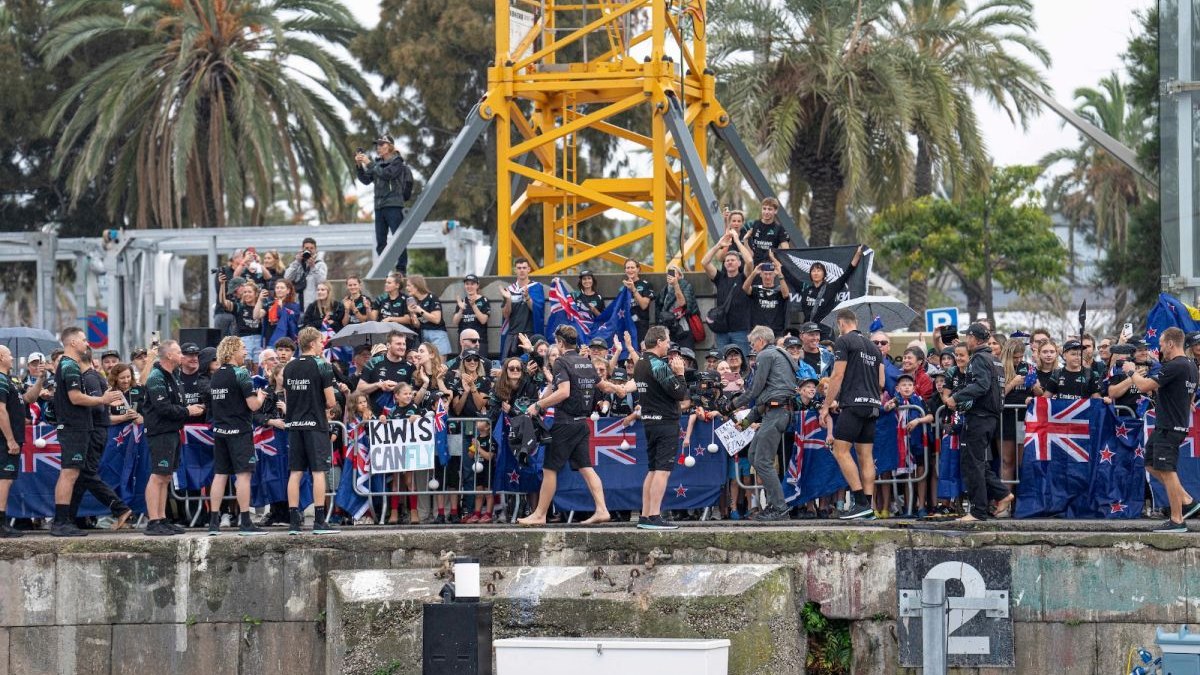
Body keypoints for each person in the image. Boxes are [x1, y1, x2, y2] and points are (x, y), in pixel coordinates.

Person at [518, 325, 610, 526]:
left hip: (565, 423)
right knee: (586, 468)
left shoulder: (562, 362)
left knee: (550, 469)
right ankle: (602, 509)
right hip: (581, 424)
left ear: (560, 343)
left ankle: (540, 514)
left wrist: (538, 405)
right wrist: (620, 389)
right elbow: (602, 386)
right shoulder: (585, 362)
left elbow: (563, 392)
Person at [1121, 327, 1200, 532]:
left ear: (1171, 344)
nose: (1160, 347)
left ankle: (1177, 520)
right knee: (1150, 464)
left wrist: (1130, 371)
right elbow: (1190, 397)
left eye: (1162, 343)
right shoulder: (1191, 365)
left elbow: (1145, 386)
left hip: (1170, 427)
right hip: (1166, 424)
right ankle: (1186, 499)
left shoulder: (1175, 365)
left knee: (1167, 470)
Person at [819, 309, 884, 520]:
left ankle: (860, 502)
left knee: (840, 451)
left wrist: (826, 405)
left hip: (854, 404)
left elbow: (837, 375)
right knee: (865, 456)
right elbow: (881, 382)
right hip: (873, 405)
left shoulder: (844, 341)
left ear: (840, 324)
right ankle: (868, 506)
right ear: (856, 322)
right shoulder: (875, 348)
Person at [727, 325, 796, 521]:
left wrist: (731, 404)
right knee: (755, 455)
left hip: (777, 412)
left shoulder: (766, 356)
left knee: (763, 461)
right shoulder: (779, 355)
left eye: (752, 343)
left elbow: (754, 390)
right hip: (775, 411)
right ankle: (774, 505)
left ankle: (779, 508)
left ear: (761, 341)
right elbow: (762, 400)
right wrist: (746, 422)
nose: (752, 348)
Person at [946, 323, 1013, 523]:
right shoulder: (995, 359)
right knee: (977, 462)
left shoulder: (979, 358)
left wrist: (956, 397)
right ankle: (1002, 493)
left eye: (968, 336)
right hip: (990, 416)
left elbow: (981, 385)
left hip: (980, 416)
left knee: (972, 464)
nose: (967, 340)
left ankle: (977, 511)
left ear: (975, 338)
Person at [205, 337, 268, 536]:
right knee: (243, 476)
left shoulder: (216, 375)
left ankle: (214, 522)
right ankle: (245, 521)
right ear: (232, 351)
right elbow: (253, 406)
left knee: (220, 475)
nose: (246, 352)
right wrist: (260, 397)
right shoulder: (241, 374)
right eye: (242, 349)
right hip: (239, 432)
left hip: (221, 431)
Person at [143, 340, 205, 536]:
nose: (183, 355)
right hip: (160, 431)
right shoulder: (156, 377)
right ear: (169, 355)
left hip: (172, 430)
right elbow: (163, 408)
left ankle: (162, 518)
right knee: (158, 475)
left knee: (167, 475)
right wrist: (188, 411)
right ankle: (153, 521)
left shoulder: (174, 375)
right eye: (179, 352)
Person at [632, 326, 689, 530]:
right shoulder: (657, 364)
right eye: (667, 341)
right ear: (658, 342)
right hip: (665, 422)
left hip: (649, 421)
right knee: (662, 471)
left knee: (653, 469)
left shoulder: (639, 362)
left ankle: (646, 515)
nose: (668, 345)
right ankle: (655, 515)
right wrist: (680, 373)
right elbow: (679, 393)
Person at [283, 327, 340, 535]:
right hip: (315, 425)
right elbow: (331, 402)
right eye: (320, 341)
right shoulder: (322, 365)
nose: (322, 344)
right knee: (318, 473)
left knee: (295, 472)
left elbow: (288, 399)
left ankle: (293, 521)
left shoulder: (289, 367)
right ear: (312, 344)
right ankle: (318, 520)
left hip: (295, 425)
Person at [74, 351, 135, 530]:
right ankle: (68, 519)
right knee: (81, 476)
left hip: (96, 432)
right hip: (96, 431)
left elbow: (98, 407)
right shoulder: (92, 377)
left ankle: (120, 508)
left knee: (86, 473)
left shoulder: (90, 378)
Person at [0, 346, 44, 538]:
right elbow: (0, 411)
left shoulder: (9, 380)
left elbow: (27, 398)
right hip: (4, 440)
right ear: (1, 357)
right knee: (4, 479)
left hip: (12, 439)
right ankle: (1, 524)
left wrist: (41, 379)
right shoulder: (1, 379)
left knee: (6, 479)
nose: (12, 357)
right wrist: (10, 439)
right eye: (9, 355)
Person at [356, 134, 415, 273]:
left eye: (382, 144)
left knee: (398, 239)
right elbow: (365, 180)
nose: (379, 147)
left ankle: (401, 270)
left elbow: (387, 174)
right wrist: (359, 166)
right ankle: (383, 269)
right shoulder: (377, 164)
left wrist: (369, 163)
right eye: (378, 145)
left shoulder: (398, 162)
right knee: (380, 241)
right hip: (379, 206)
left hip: (394, 205)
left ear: (390, 146)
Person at [703, 230, 755, 357]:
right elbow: (704, 262)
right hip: (722, 331)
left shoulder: (744, 277)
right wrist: (719, 245)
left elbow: (749, 262)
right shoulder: (720, 278)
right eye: (727, 261)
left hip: (741, 330)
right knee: (723, 362)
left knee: (743, 362)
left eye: (733, 260)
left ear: (738, 263)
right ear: (724, 264)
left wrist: (737, 241)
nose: (730, 262)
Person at [799, 245, 865, 332]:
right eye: (813, 271)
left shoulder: (831, 288)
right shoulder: (806, 290)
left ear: (824, 274)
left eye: (819, 270)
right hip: (808, 330)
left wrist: (857, 254)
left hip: (825, 330)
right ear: (810, 274)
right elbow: (789, 275)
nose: (816, 273)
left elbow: (848, 272)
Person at [356, 331, 415, 416]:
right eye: (398, 344)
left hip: (401, 418)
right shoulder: (373, 362)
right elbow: (359, 389)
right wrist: (379, 385)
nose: (402, 347)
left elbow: (413, 394)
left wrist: (398, 388)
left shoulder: (410, 367)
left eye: (404, 344)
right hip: (375, 417)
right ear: (388, 345)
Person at [218, 273, 264, 363]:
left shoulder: (262, 307)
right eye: (245, 292)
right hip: (244, 340)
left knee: (257, 367)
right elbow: (223, 302)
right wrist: (222, 285)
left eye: (249, 292)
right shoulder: (239, 307)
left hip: (259, 340)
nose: (246, 294)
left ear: (255, 294)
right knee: (246, 365)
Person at [742, 252, 790, 336]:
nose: (767, 277)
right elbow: (745, 288)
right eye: (765, 274)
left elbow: (786, 294)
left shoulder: (779, 289)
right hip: (758, 331)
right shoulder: (756, 289)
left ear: (774, 275)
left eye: (770, 274)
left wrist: (780, 274)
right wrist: (754, 273)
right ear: (761, 274)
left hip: (776, 331)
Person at [405, 274, 451, 355]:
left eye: (409, 285)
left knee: (439, 365)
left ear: (416, 286)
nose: (407, 288)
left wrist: (420, 310)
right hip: (423, 334)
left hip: (437, 334)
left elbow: (437, 319)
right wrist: (412, 312)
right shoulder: (414, 301)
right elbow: (417, 325)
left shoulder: (432, 298)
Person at [657, 264, 701, 348]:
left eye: (674, 273)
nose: (671, 275)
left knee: (686, 354)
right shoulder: (665, 290)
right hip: (669, 328)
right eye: (669, 274)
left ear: (680, 276)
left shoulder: (685, 285)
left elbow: (682, 304)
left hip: (683, 327)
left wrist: (676, 285)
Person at [739, 197, 791, 266]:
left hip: (770, 266)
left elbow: (786, 251)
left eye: (769, 209)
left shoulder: (779, 228)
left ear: (775, 211)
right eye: (764, 208)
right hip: (754, 265)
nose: (766, 212)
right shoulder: (753, 224)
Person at [256, 279, 302, 348]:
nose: (279, 290)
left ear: (288, 291)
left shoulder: (294, 306)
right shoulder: (270, 304)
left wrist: (282, 308)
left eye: (282, 288)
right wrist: (259, 300)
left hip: (287, 343)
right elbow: (256, 316)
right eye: (277, 288)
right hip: (270, 341)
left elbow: (293, 320)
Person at [283, 237, 328, 308]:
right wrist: (297, 262)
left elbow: (322, 281)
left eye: (311, 248)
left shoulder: (320, 264)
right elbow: (287, 278)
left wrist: (313, 267)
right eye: (306, 248)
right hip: (296, 302)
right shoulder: (298, 263)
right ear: (302, 249)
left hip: (311, 304)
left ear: (315, 250)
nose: (309, 250)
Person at [454, 274, 492, 355]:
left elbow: (483, 320)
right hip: (464, 342)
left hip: (479, 341)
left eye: (472, 284)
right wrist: (461, 309)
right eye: (467, 284)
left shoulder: (484, 300)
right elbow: (455, 322)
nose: (469, 286)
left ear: (477, 285)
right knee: (463, 365)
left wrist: (473, 305)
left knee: (481, 366)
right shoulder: (462, 301)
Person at [621, 258, 655, 346]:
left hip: (640, 326)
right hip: (626, 325)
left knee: (640, 354)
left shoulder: (646, 284)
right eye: (627, 268)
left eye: (632, 267)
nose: (630, 270)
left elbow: (644, 305)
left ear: (638, 269)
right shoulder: (622, 287)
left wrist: (633, 289)